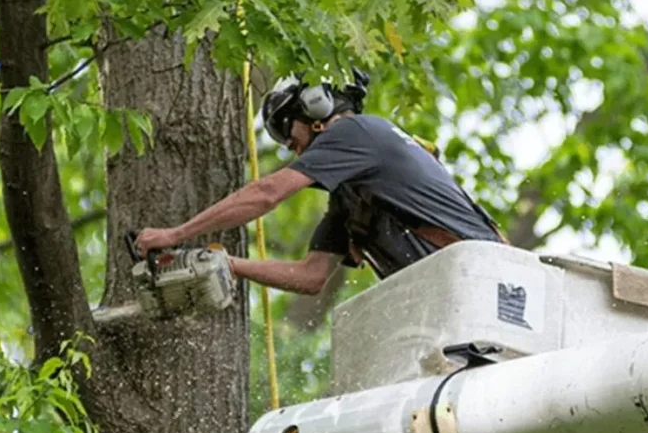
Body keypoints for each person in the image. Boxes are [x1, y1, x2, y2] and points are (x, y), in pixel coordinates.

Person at [134, 69, 507, 294]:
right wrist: (224, 263)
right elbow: (310, 277)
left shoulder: (358, 132)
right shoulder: (353, 200)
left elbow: (266, 193)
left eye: (287, 130)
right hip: (453, 288)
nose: (292, 148)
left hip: (487, 279)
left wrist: (175, 235)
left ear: (315, 107)